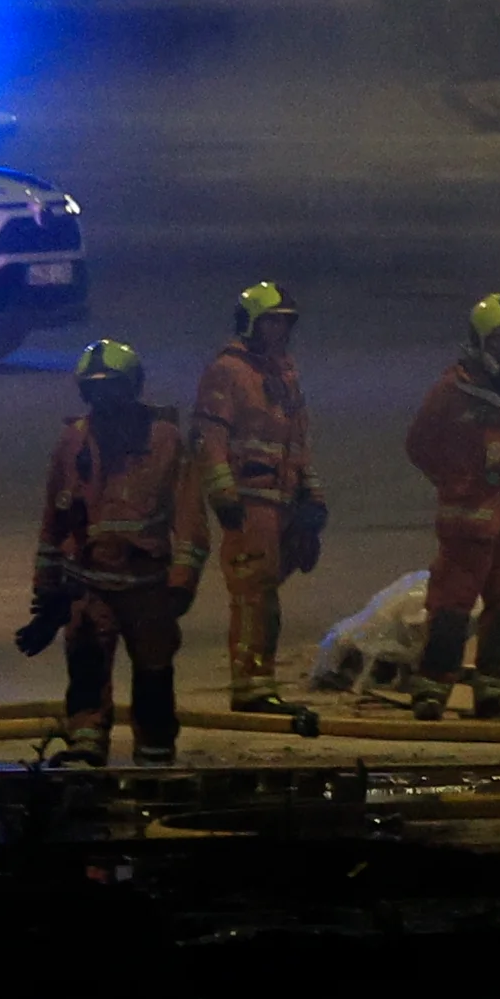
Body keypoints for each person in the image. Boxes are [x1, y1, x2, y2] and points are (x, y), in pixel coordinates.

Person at [20, 335, 204, 763]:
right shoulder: (73, 443)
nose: (105, 398)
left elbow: (191, 519)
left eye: (113, 387)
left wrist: (181, 582)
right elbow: (55, 521)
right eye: (96, 389)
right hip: (88, 589)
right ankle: (85, 752)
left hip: (148, 588)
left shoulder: (165, 441)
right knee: (86, 671)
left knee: (154, 677)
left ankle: (155, 755)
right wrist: (47, 594)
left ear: (133, 387)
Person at [404, 290, 500, 717]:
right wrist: (456, 483)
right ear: (481, 342)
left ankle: (495, 690)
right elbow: (420, 445)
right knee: (450, 607)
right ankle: (431, 689)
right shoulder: (452, 391)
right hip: (469, 524)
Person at [191, 280, 322, 711]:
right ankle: (251, 686)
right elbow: (210, 436)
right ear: (251, 323)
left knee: (266, 595)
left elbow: (298, 440)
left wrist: (312, 497)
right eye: (271, 323)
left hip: (280, 501)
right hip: (249, 500)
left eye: (285, 324)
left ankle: (260, 681)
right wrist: (224, 496)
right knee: (253, 595)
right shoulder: (229, 371)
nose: (279, 332)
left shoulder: (283, 372)